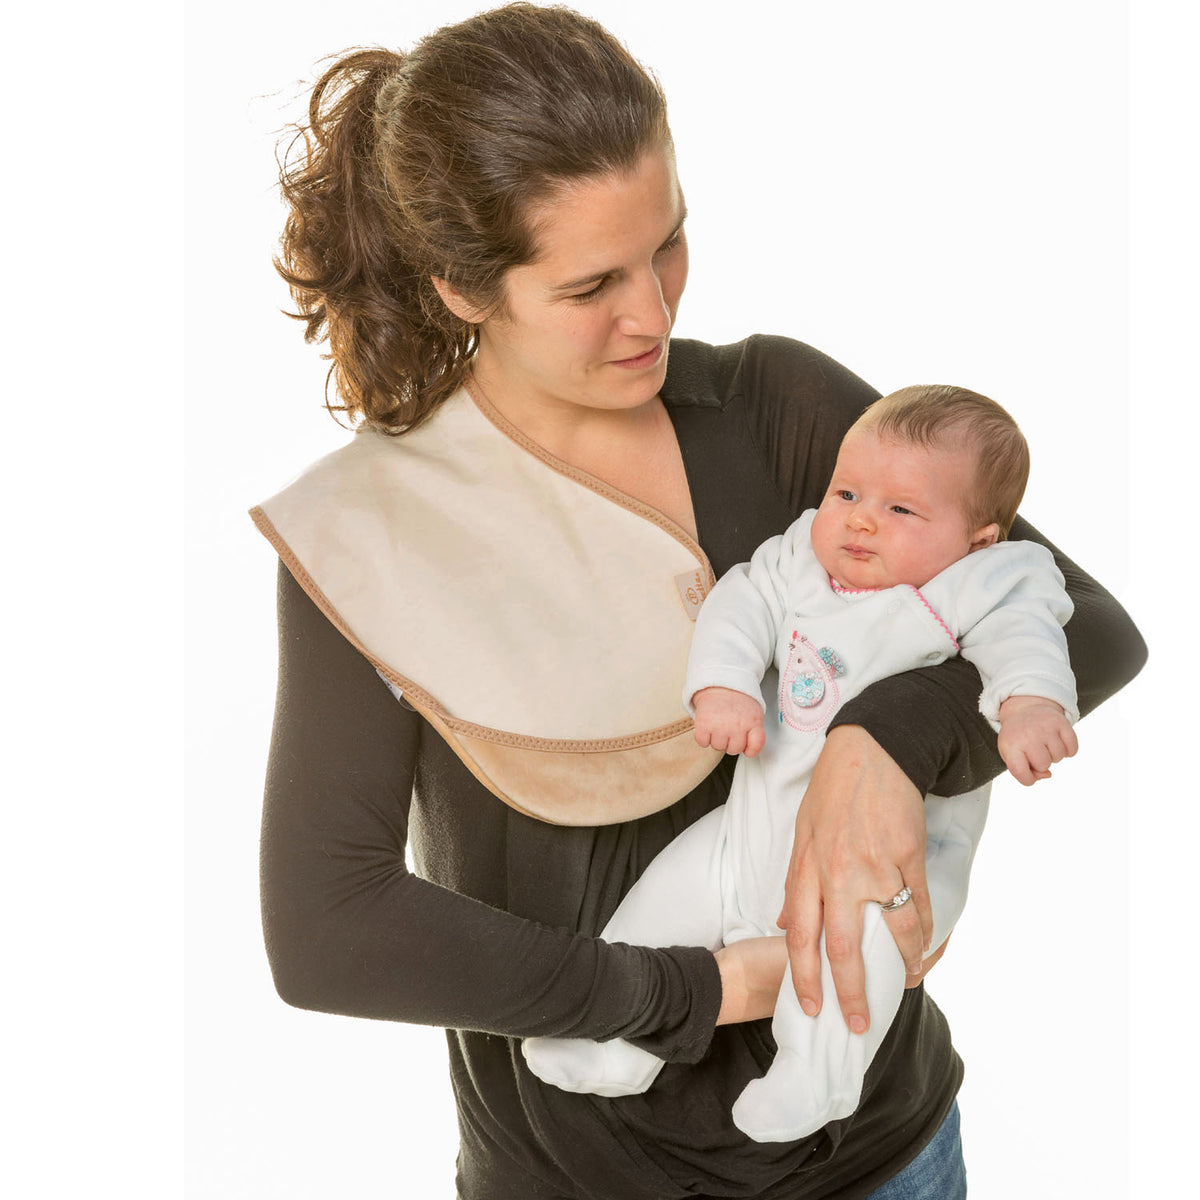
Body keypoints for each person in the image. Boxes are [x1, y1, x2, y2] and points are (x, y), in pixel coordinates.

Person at [253, 5, 1146, 1197]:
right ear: (465, 291)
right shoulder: (367, 535)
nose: (655, 312)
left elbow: (1089, 626)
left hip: (885, 1158)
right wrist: (714, 986)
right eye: (591, 286)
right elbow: (328, 926)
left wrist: (886, 743)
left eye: (668, 244)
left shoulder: (771, 405)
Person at [522, 384, 1078, 1143]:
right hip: (748, 832)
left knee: (860, 956)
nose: (857, 517)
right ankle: (615, 1041)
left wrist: (1031, 705)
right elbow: (739, 603)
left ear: (978, 540)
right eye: (847, 491)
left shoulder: (983, 584)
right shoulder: (800, 559)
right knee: (663, 900)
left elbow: (1030, 639)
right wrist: (724, 685)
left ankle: (816, 1080)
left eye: (900, 510)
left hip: (882, 870)